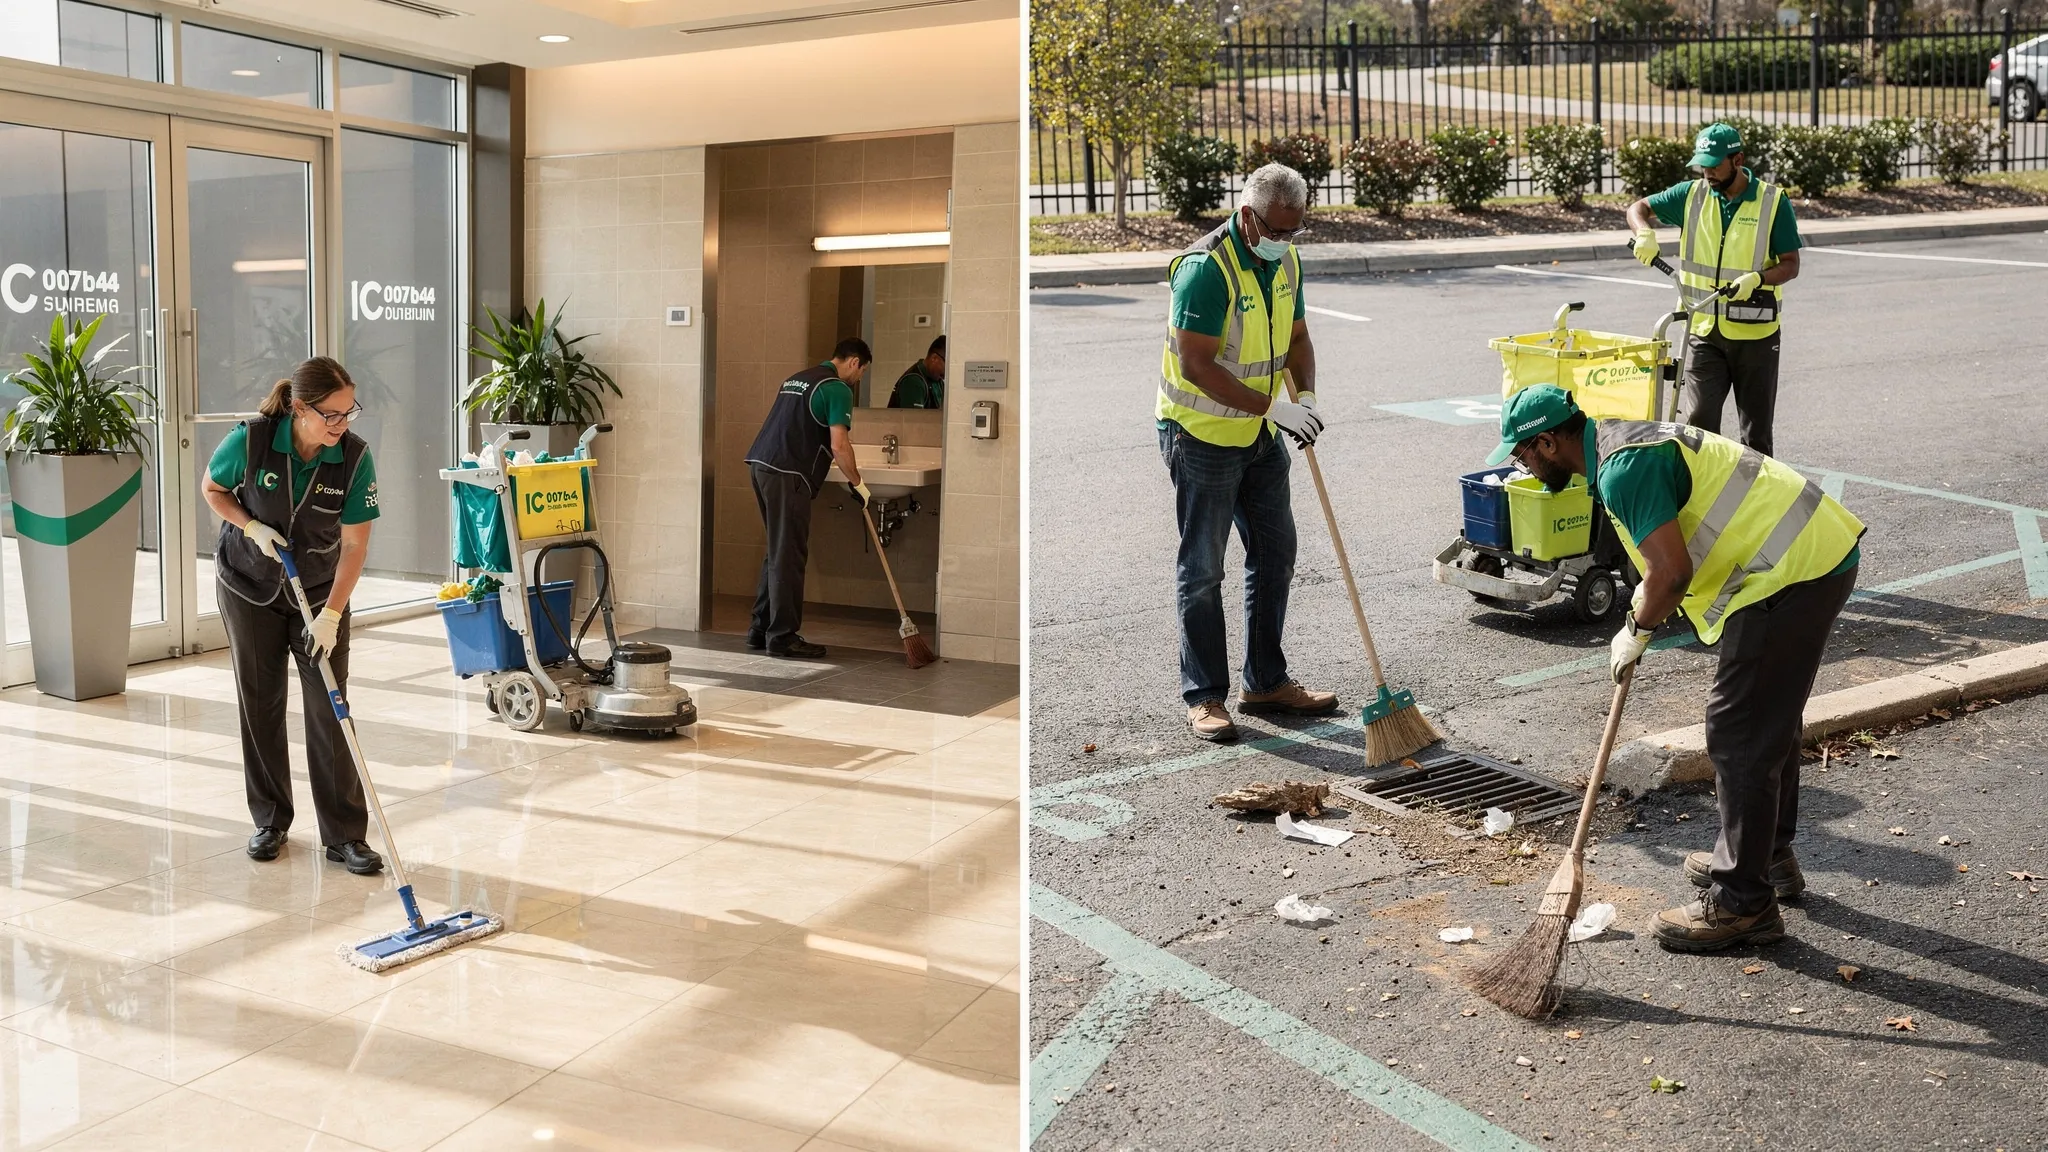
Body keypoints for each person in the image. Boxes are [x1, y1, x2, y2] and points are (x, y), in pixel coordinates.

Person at [1487, 385, 1864, 952]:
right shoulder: (1624, 442)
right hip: (1811, 554)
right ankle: (1766, 857)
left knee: (1738, 731)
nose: (1522, 466)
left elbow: (1672, 573)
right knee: (1767, 720)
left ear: (1547, 440)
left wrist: (1637, 630)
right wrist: (1645, 604)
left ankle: (1743, 903)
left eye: (1522, 454)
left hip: (1792, 573)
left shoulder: (1622, 470)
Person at [1158, 161, 1335, 744]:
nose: (1285, 243)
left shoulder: (1286, 262)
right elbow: (1197, 365)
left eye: (1295, 232)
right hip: (1202, 437)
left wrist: (1303, 397)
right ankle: (1205, 696)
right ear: (1247, 216)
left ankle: (1264, 681)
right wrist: (1273, 409)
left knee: (1276, 552)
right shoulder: (1205, 271)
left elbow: (1298, 338)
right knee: (1204, 569)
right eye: (1277, 232)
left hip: (1259, 438)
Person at [201, 356, 383, 875]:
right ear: (300, 408)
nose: (342, 424)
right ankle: (271, 821)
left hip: (321, 594)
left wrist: (331, 614)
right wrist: (251, 526)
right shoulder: (254, 441)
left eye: (350, 413)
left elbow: (353, 547)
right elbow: (213, 490)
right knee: (260, 702)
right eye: (332, 415)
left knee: (330, 708)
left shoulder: (353, 458)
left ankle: (345, 835)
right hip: (249, 586)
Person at [1626, 122, 1802, 457]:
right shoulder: (1690, 195)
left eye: (1715, 163)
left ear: (1738, 160)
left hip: (1756, 335)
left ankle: (1756, 505)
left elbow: (1790, 264)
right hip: (1703, 331)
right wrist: (1644, 232)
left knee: (1757, 436)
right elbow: (1638, 208)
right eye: (1702, 163)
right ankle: (1705, 501)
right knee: (1699, 424)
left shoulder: (1772, 201)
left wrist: (1758, 278)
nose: (1707, 171)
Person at [743, 337, 870, 659]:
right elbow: (840, 445)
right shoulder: (837, 388)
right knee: (789, 554)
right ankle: (782, 637)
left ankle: (760, 629)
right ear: (854, 362)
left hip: (761, 464)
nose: (860, 379)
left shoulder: (798, 378)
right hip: (788, 474)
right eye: (863, 371)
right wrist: (858, 484)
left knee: (777, 550)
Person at [888, 335, 945, 409]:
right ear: (934, 358)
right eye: (947, 364)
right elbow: (913, 419)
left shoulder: (937, 380)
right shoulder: (913, 382)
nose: (946, 374)